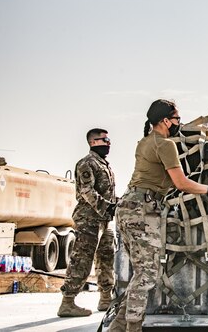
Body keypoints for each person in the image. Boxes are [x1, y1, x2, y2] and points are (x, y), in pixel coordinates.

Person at [109, 99, 208, 332]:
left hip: (129, 207)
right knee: (147, 274)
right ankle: (132, 328)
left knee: (141, 274)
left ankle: (117, 327)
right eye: (176, 119)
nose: (179, 123)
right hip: (142, 212)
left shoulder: (144, 142)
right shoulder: (165, 144)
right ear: (165, 121)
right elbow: (181, 182)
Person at [58, 128, 116, 317]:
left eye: (108, 139)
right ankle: (68, 302)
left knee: (106, 257)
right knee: (82, 259)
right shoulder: (87, 163)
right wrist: (108, 207)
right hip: (89, 219)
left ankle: (106, 298)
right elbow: (87, 192)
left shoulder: (104, 164)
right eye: (104, 139)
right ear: (92, 142)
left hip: (104, 220)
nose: (108, 143)